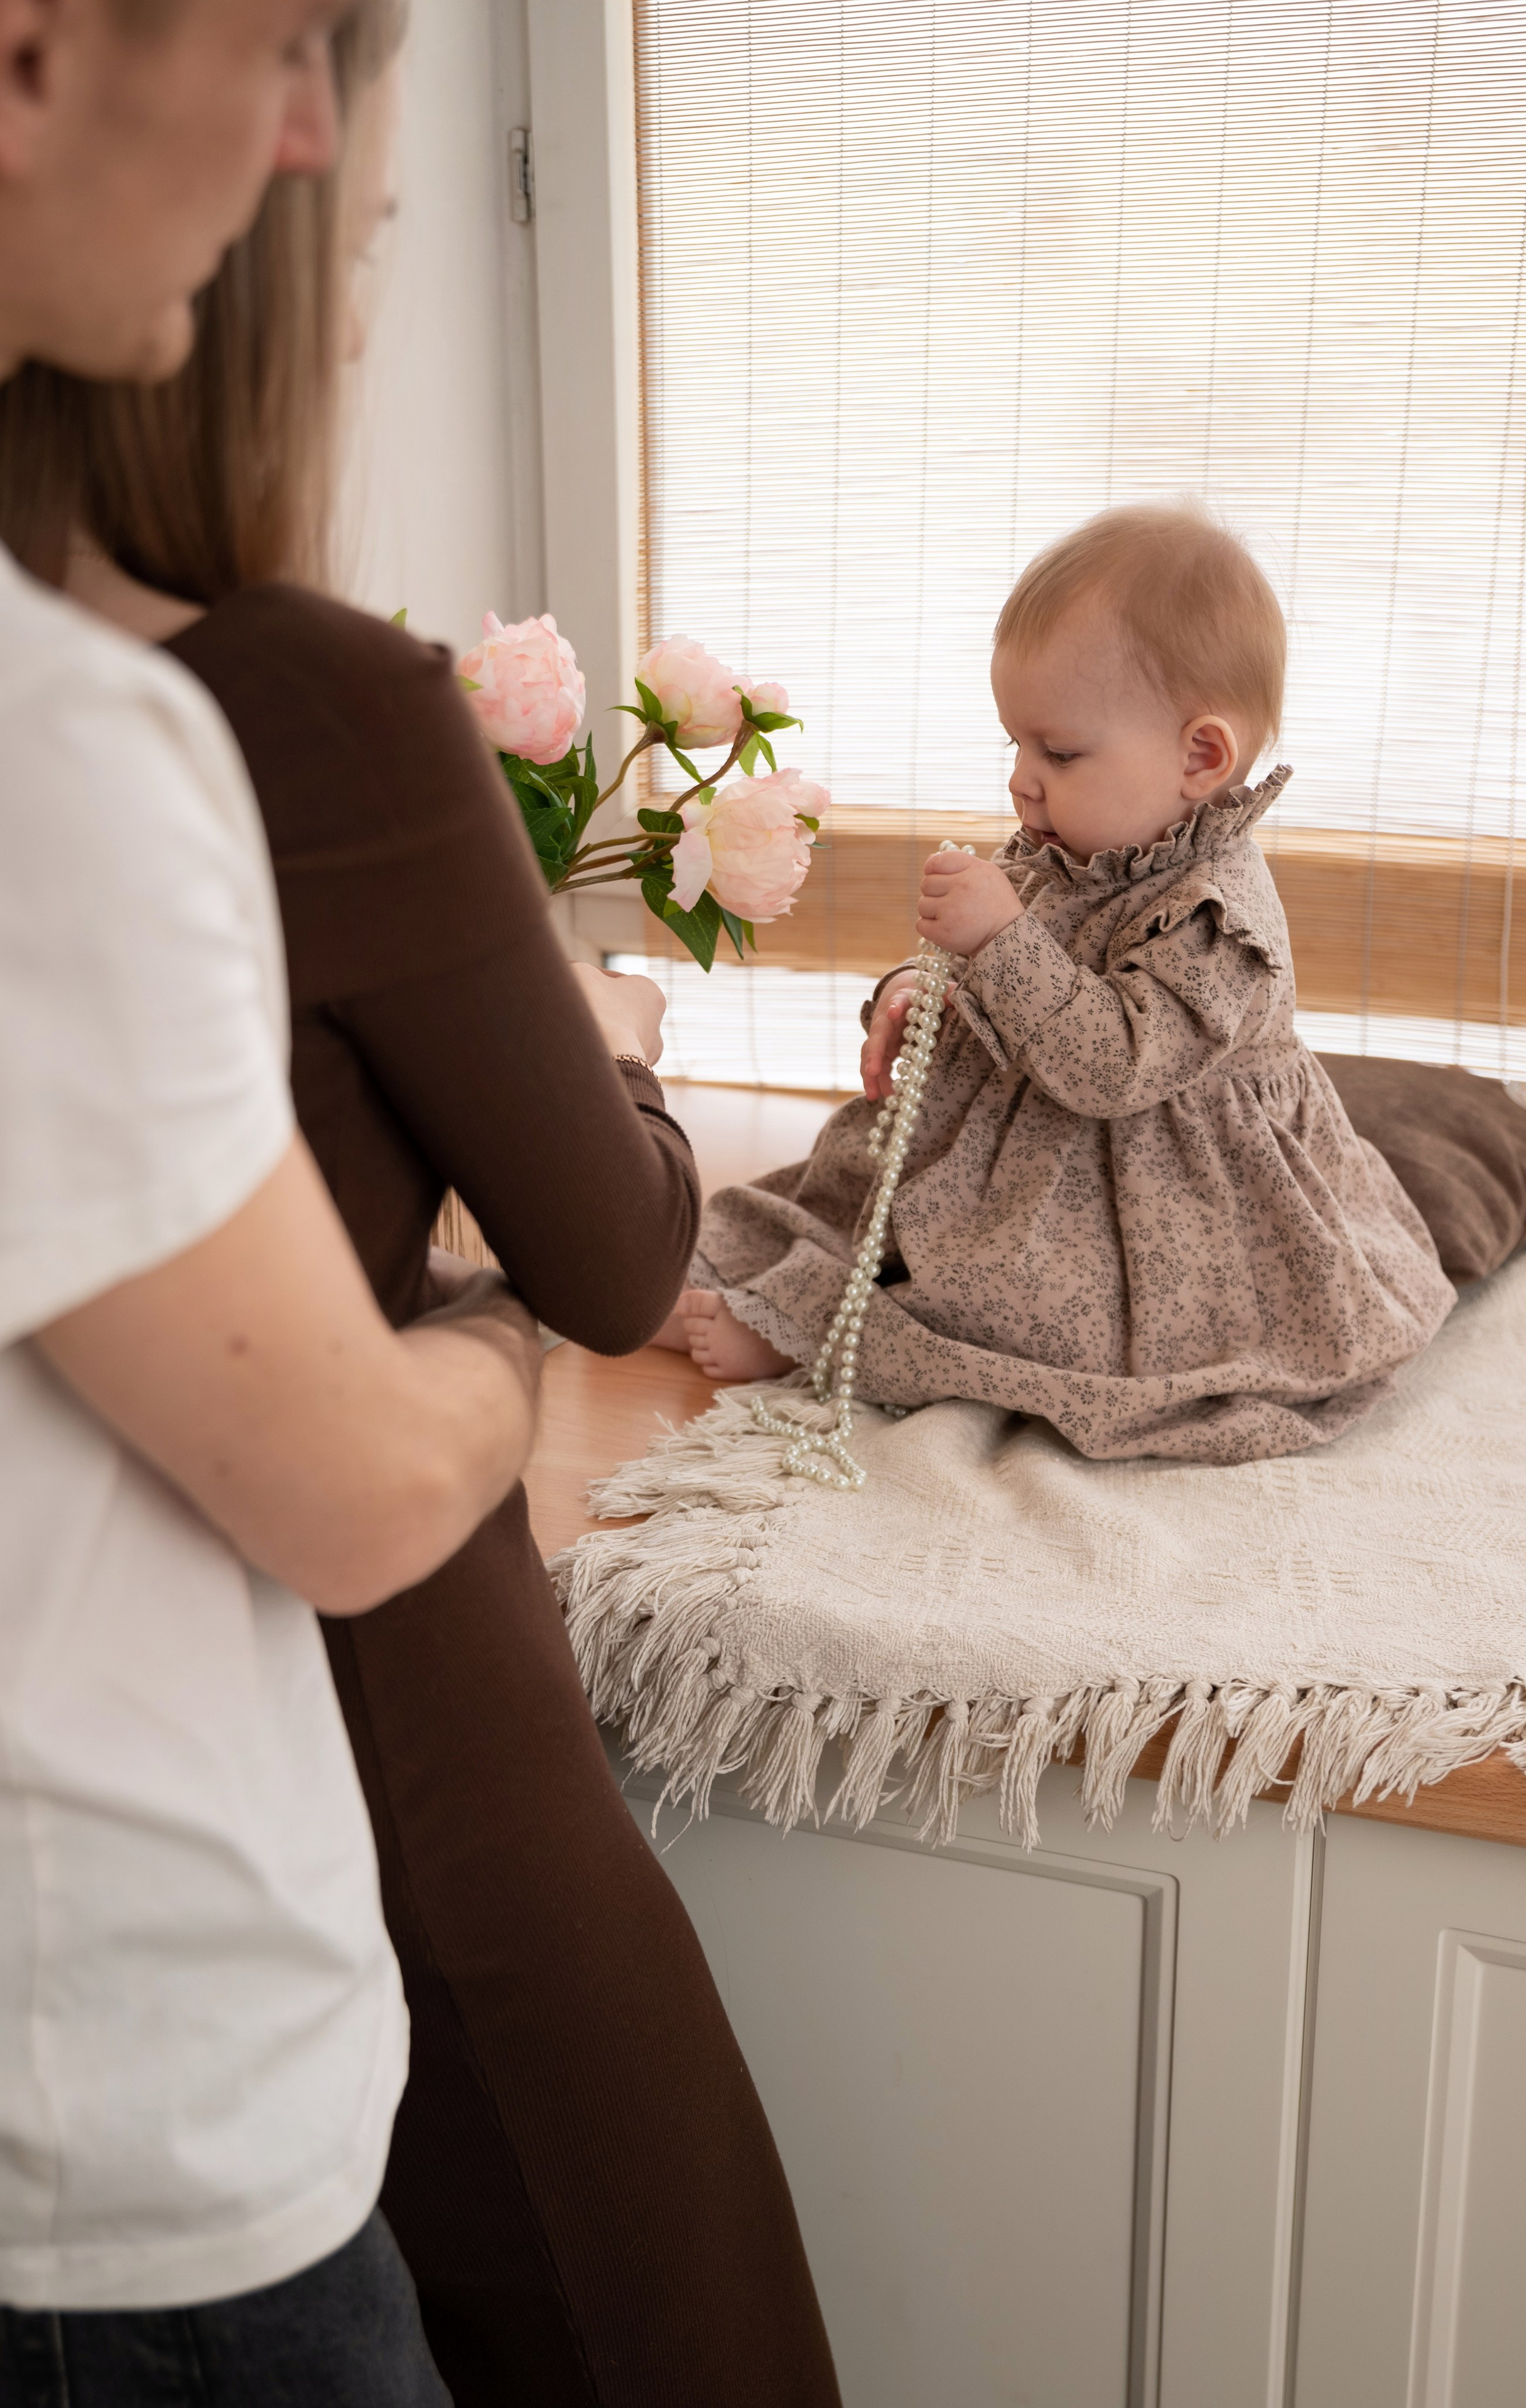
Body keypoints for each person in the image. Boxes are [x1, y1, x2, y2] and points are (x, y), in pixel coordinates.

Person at [0, 27, 842, 2407]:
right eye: (362, 242)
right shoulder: (273, 716)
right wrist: (581, 1088)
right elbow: (589, 1272)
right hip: (322, 1792)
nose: (357, 281)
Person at [0, 3, 553, 2399]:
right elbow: (348, 1489)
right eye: (278, 46)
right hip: (119, 2143)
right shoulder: (91, 744)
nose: (308, 141)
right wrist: (500, 1352)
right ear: (28, 54)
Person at [659, 504, 1457, 1465]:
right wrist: (919, 987)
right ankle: (739, 1280)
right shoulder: (1076, 841)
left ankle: (819, 1340)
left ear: (1201, 756)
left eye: (1061, 753)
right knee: (845, 1197)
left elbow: (1113, 1066)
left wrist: (998, 939)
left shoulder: (1215, 917)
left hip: (1155, 1202)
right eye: (1016, 748)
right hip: (1012, 1144)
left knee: (1015, 1310)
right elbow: (995, 962)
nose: (1023, 784)